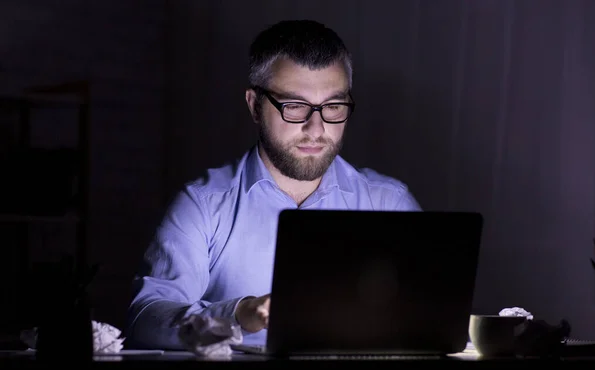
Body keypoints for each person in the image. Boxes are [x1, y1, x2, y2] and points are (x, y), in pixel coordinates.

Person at [125, 19, 421, 350]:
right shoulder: (203, 204)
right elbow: (146, 316)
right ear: (254, 105)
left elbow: (427, 314)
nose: (316, 128)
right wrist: (237, 314)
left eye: (334, 106)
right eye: (294, 106)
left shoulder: (390, 204)